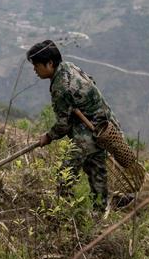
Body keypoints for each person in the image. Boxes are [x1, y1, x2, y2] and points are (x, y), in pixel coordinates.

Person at [28, 39, 124, 210]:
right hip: (105, 124)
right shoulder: (69, 67)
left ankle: (66, 212)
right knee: (97, 172)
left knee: (65, 175)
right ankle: (99, 212)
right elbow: (91, 83)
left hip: (90, 130)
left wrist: (48, 137)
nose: (34, 70)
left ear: (49, 63)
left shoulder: (61, 87)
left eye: (36, 65)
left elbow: (63, 125)